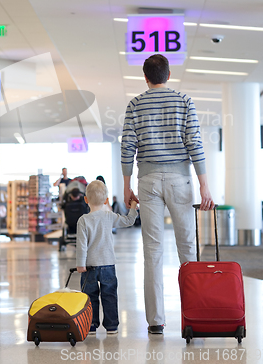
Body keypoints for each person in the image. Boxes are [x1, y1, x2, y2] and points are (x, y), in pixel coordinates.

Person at [121, 53, 214, 335]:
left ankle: (156, 321)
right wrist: (204, 184)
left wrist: (127, 186)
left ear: (146, 77)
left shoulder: (135, 104)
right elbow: (194, 141)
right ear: (169, 75)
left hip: (147, 180)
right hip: (179, 180)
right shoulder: (184, 101)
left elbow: (127, 146)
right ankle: (194, 315)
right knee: (187, 248)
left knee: (153, 251)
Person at [76, 180, 138, 335]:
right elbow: (129, 221)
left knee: (89, 297)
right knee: (109, 295)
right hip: (108, 264)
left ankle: (90, 324)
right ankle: (112, 326)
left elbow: (81, 245)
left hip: (89, 266)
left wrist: (80, 264)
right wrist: (133, 208)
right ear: (105, 200)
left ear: (86, 200)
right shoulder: (109, 216)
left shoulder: (83, 220)